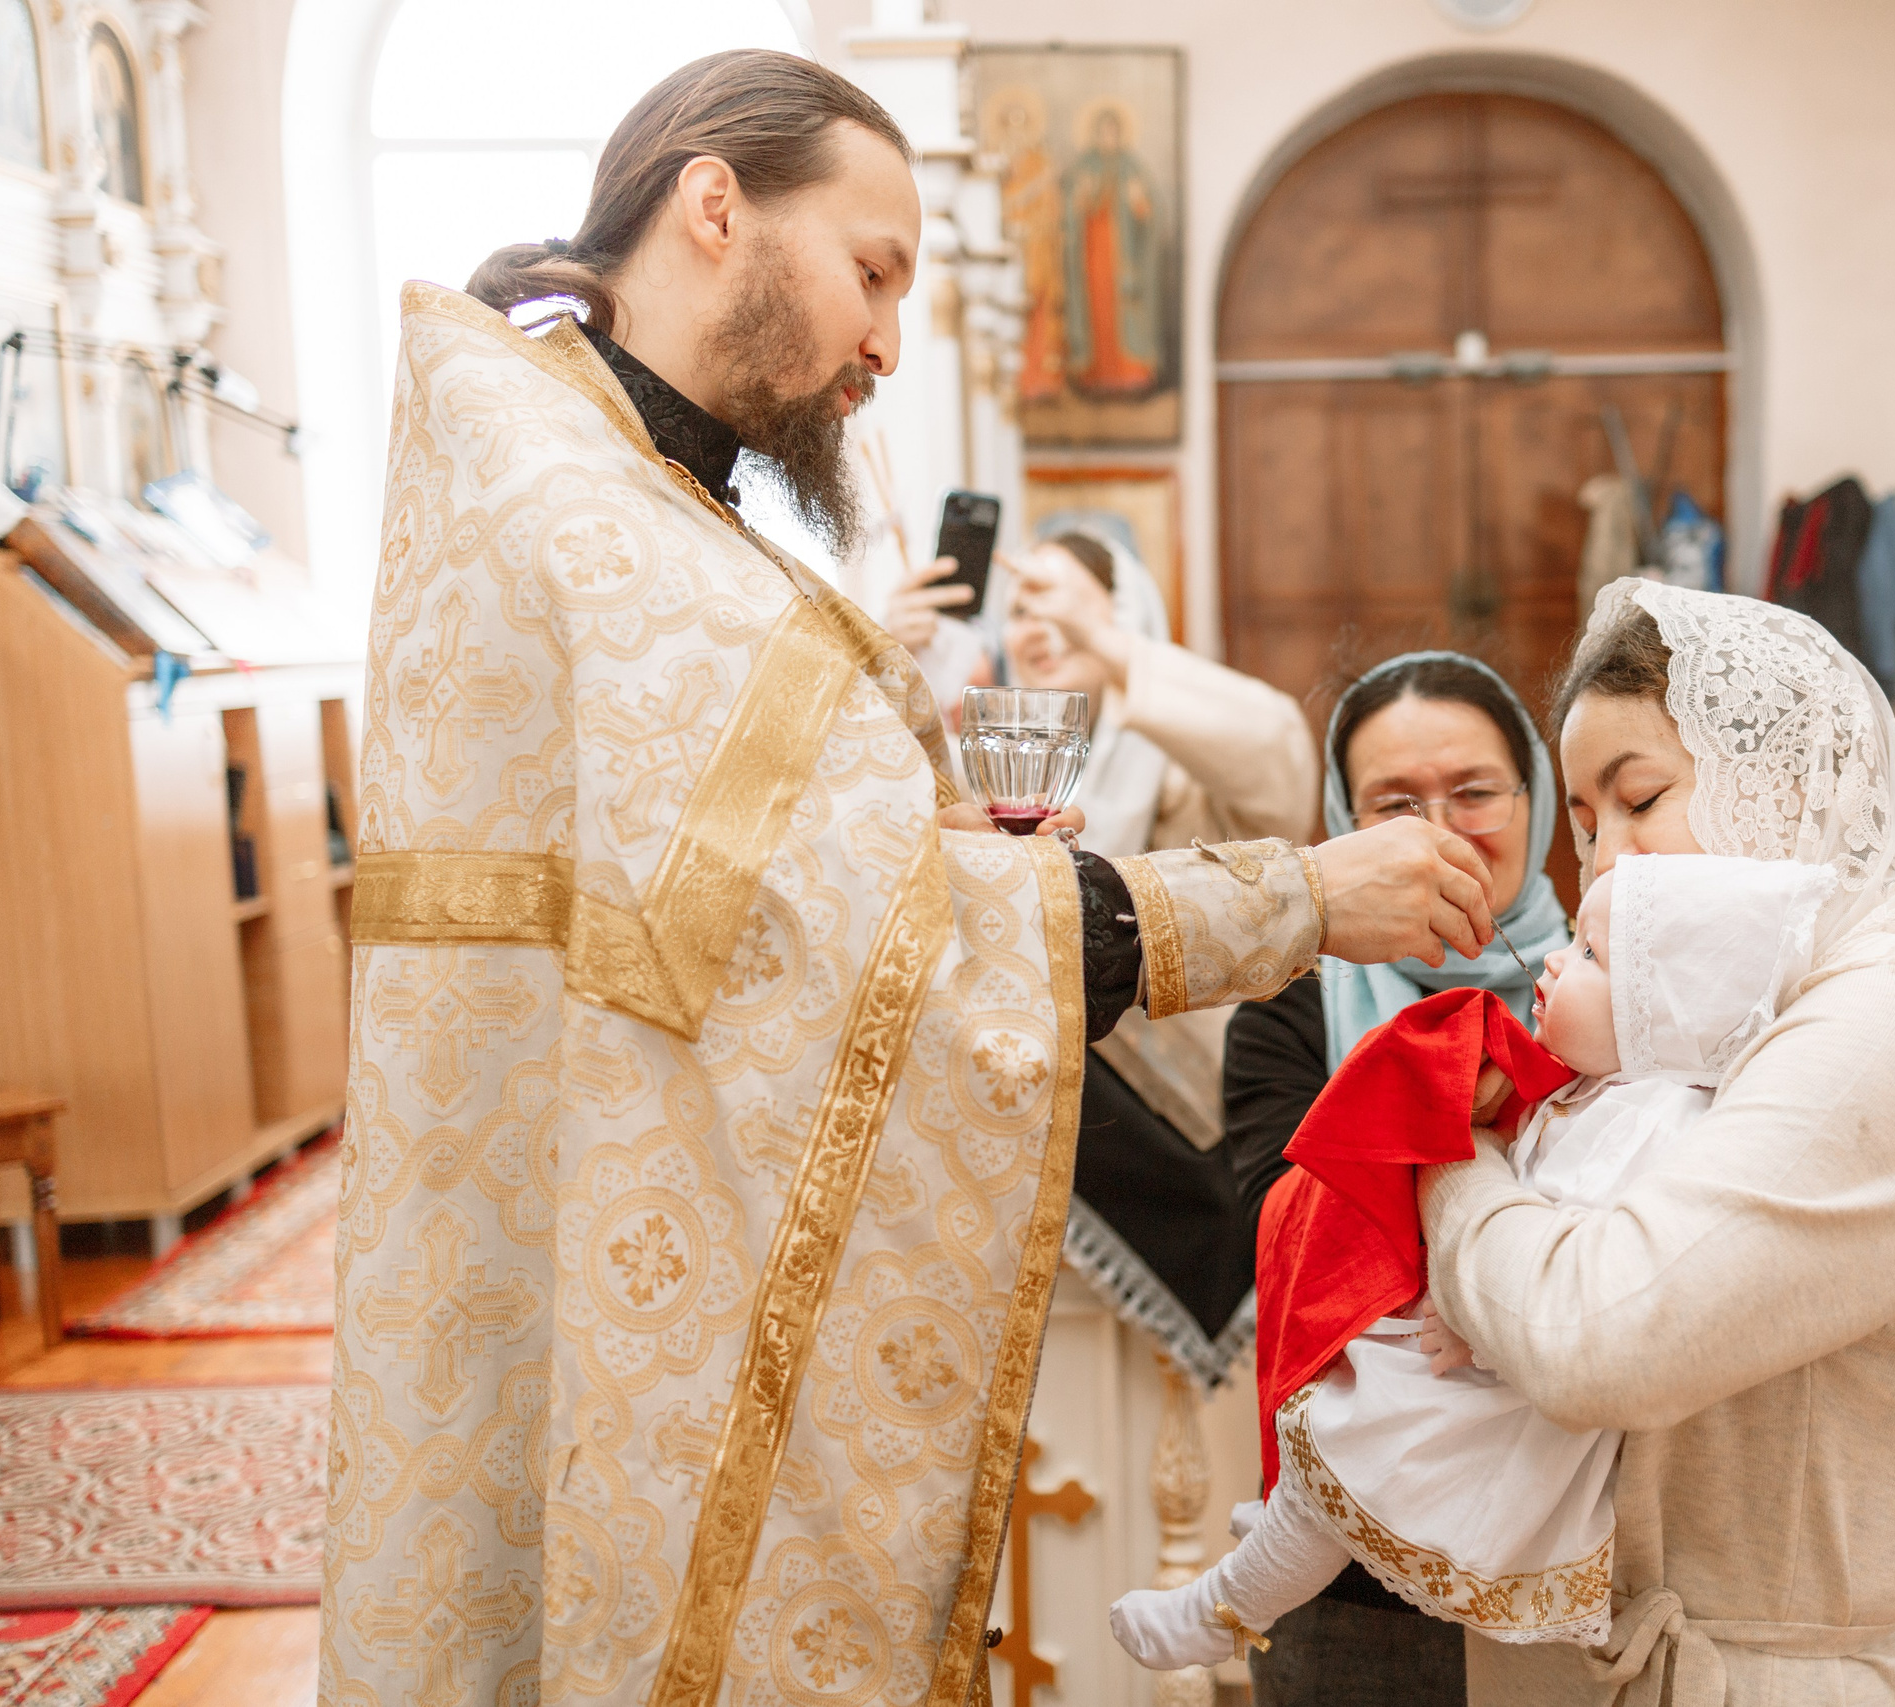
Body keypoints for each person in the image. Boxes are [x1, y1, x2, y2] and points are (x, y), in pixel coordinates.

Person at [331, 51, 1504, 1707]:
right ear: (713, 204)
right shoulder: (602, 521)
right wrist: (1304, 897)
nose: (888, 339)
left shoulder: (608, 481)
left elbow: (773, 915)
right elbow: (882, 945)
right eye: (872, 270)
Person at [1415, 580, 1895, 1706]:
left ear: (1788, 784)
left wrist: (1444, 1153)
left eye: (1642, 798)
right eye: (1584, 824)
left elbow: (1601, 1332)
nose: (1609, 863)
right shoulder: (1721, 1022)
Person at [1111, 853, 1834, 1668]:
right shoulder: (1606, 1090)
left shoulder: (1655, 1121)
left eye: (1595, 957)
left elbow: (1580, 1266)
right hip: (1477, 1355)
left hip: (1497, 1389)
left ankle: (1229, 1606)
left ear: (1663, 1004)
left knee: (1356, 1451)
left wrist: (1485, 1326)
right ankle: (1282, 1538)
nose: (1559, 957)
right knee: (1337, 1434)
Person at [1222, 650, 1571, 1706]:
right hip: (1359, 1554)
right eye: (1394, 807)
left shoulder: (1615, 984)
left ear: (1536, 799)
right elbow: (1288, 1244)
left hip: (1582, 1531)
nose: (1439, 831)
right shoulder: (1288, 1005)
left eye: (1473, 793)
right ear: (1343, 827)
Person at [988, 523, 1318, 1378]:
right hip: (1050, 1188)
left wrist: (1100, 640)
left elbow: (1280, 756)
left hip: (1193, 1161)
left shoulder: (1185, 774)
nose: (1042, 626)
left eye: (1071, 604)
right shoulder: (990, 774)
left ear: (1124, 617)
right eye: (1024, 606)